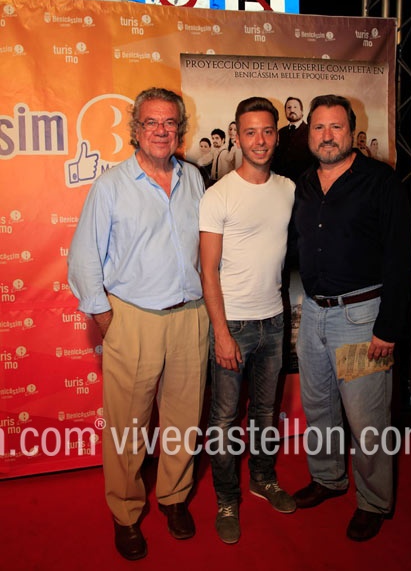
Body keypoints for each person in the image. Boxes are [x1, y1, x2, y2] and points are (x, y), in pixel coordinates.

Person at [67, 87, 209, 561]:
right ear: (135, 130)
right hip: (133, 318)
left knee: (184, 419)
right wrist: (109, 319)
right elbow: (84, 259)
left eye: (169, 122)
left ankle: (174, 498)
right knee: (128, 426)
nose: (161, 130)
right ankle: (126, 512)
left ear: (180, 129)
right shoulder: (111, 186)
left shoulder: (194, 179)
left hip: (190, 317)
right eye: (151, 122)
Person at [290, 94, 411, 542]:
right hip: (313, 314)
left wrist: (388, 327)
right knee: (319, 408)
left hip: (362, 319)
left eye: (336, 127)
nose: (327, 136)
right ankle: (328, 478)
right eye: (319, 127)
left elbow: (401, 258)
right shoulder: (304, 184)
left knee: (366, 418)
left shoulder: (380, 182)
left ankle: (373, 501)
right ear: (309, 134)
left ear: (352, 131)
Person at [199, 96, 297, 545]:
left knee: (264, 412)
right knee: (223, 419)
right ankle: (226, 499)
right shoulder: (218, 195)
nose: (260, 140)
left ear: (276, 135)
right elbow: (208, 270)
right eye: (250, 132)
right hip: (233, 324)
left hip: (273, 322)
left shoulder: (288, 189)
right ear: (237, 136)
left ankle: (263, 478)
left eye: (267, 131)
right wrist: (221, 333)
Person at [271, 96, 313, 182]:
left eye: (295, 107)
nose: (292, 110)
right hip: (282, 183)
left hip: (303, 182)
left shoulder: (310, 132)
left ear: (301, 111)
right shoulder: (280, 132)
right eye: (289, 108)